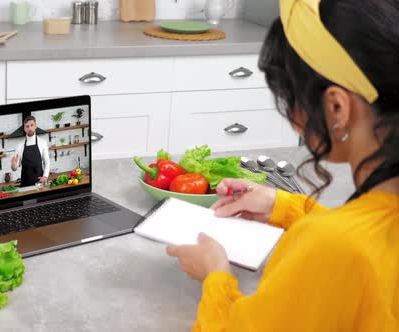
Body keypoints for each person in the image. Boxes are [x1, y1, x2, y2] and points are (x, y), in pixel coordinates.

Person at [166, 0, 399, 330]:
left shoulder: (332, 247)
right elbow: (369, 250)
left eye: (292, 99)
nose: (293, 119)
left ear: (336, 106)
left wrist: (215, 275)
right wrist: (282, 206)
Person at [11, 115, 50, 186]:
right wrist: (13, 165)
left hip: (40, 183)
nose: (30, 128)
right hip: (25, 184)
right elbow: (14, 168)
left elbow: (47, 161)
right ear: (24, 129)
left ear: (35, 126)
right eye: (27, 126)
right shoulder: (20, 145)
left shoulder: (42, 142)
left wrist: (45, 176)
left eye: (32, 125)